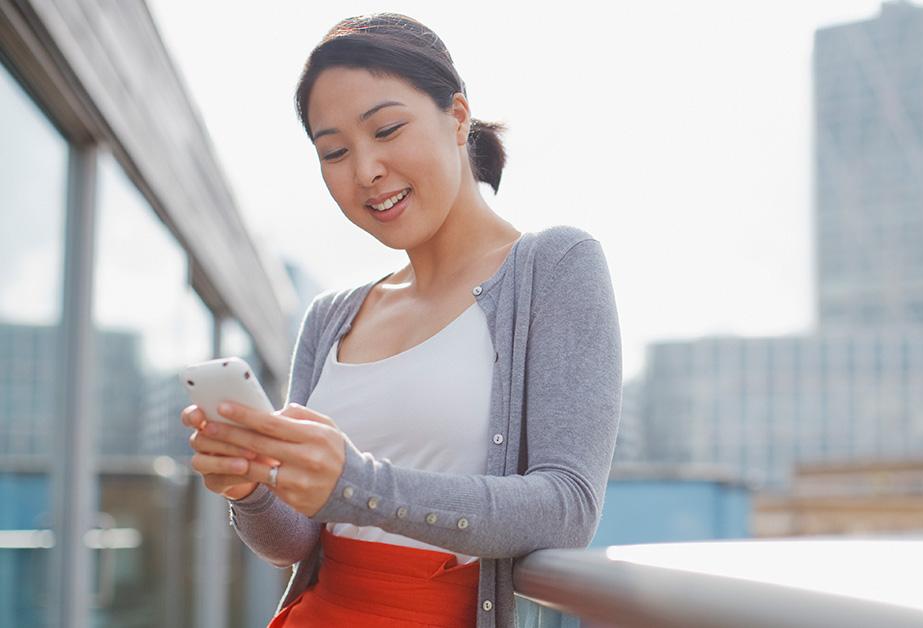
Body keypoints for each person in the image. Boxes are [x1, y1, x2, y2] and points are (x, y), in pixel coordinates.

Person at [179, 13, 622, 628]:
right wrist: (251, 487)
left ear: (457, 116)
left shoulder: (554, 267)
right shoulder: (331, 317)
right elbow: (297, 544)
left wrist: (357, 483)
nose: (365, 171)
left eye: (386, 129)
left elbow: (567, 508)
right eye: (334, 151)